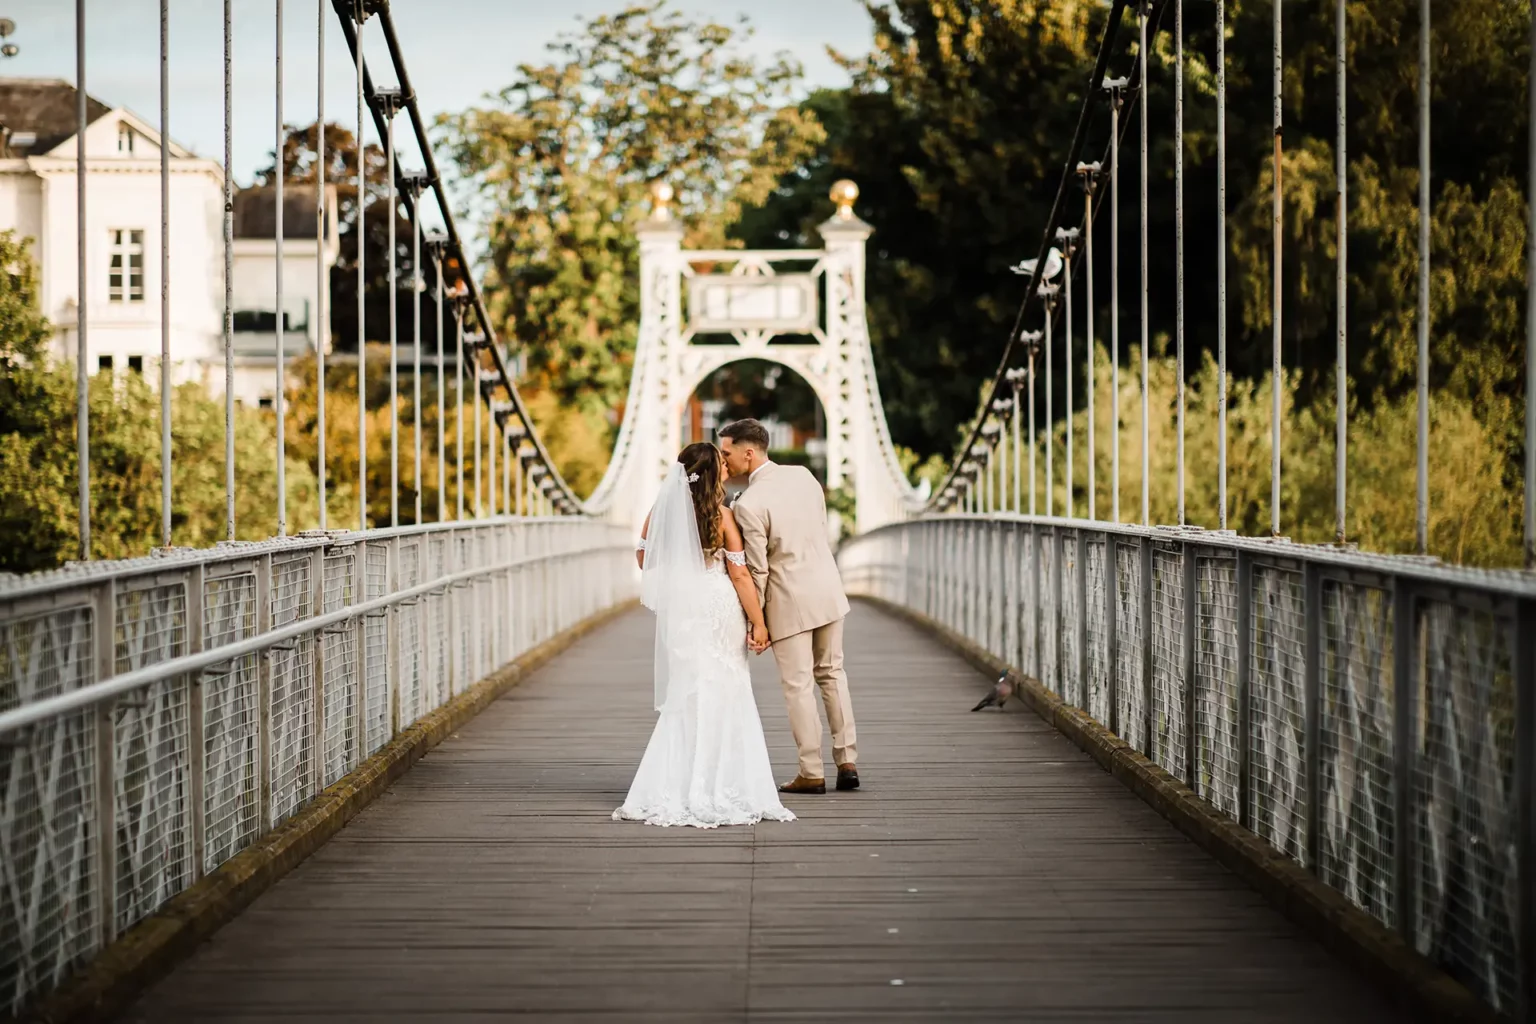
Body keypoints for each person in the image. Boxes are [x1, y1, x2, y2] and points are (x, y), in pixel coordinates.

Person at [612, 442, 795, 828]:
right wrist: (759, 623)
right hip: (718, 606)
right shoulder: (722, 515)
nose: (727, 467)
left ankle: (675, 783)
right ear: (712, 473)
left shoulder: (661, 511)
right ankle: (728, 782)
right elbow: (741, 575)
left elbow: (644, 557)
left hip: (684, 609)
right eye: (721, 463)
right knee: (728, 687)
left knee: (688, 689)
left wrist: (680, 571)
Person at [718, 418, 860, 796]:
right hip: (828, 588)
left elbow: (759, 569)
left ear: (749, 453)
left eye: (727, 452)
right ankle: (847, 761)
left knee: (798, 686)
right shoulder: (805, 477)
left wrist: (757, 621)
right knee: (832, 674)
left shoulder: (747, 504)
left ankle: (811, 772)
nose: (724, 460)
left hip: (789, 600)